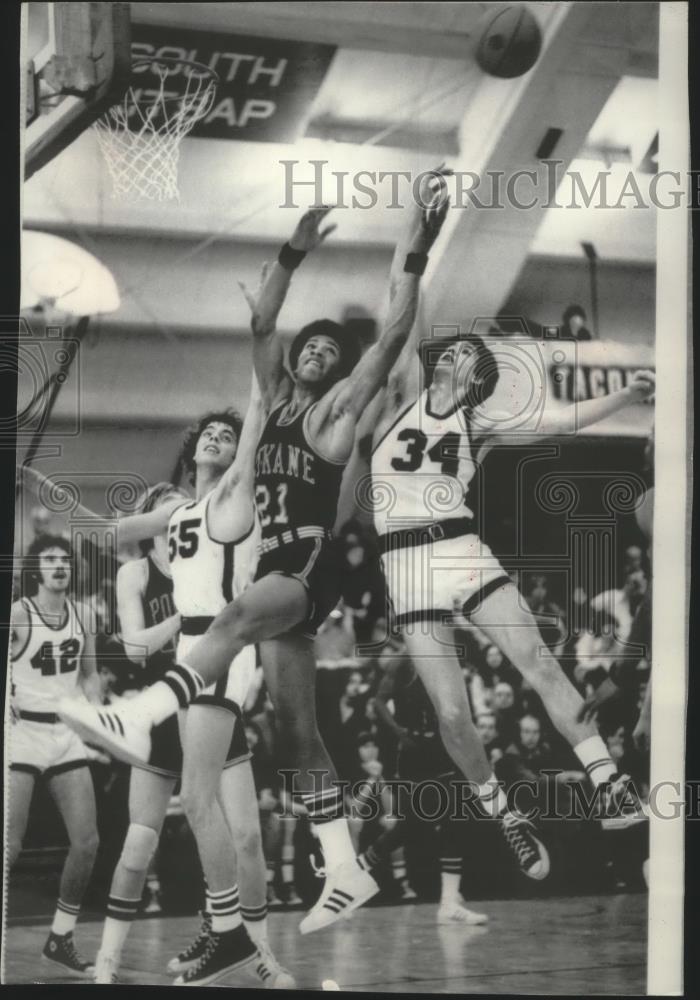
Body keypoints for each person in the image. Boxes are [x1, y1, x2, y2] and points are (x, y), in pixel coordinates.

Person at [58, 181, 451, 935]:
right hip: (279, 574)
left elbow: (395, 334)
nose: (319, 352)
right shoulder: (270, 405)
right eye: (312, 345)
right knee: (297, 736)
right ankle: (344, 867)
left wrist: (417, 246)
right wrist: (293, 249)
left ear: (337, 373)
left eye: (331, 352)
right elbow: (264, 318)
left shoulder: (336, 413)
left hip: (306, 566)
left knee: (233, 617)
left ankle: (141, 715)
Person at [364, 249, 655, 852]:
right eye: (461, 348)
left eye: (475, 354)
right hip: (406, 568)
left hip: (459, 547)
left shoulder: (480, 421)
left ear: (477, 376)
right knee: (450, 713)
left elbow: (560, 421)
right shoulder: (397, 399)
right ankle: (506, 818)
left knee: (540, 661)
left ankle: (609, 783)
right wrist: (418, 237)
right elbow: (402, 302)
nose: (462, 351)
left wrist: (625, 397)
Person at [93, 394, 294, 986]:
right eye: (205, 432)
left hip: (220, 645)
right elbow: (115, 534)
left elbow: (252, 434)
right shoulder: (181, 510)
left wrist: (262, 376)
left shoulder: (235, 495)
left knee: (206, 804)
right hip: (191, 656)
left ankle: (232, 934)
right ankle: (233, 935)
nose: (214, 437)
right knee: (228, 820)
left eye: (224, 435)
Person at [8, 535, 100, 976]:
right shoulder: (18, 615)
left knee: (87, 842)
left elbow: (91, 675)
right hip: (22, 730)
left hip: (65, 733)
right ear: (35, 568)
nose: (60, 565)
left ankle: (60, 937)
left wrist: (99, 717)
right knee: (9, 846)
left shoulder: (83, 615)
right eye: (50, 559)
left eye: (65, 559)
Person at [368, 646, 488, 926]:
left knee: (454, 820)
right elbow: (378, 701)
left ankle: (449, 901)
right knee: (410, 826)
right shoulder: (404, 660)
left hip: (442, 747)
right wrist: (400, 733)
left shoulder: (448, 655)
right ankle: (357, 871)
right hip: (413, 749)